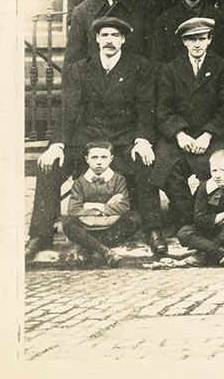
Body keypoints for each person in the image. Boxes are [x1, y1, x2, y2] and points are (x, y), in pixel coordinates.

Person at [26, 15, 166, 263]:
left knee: (146, 162)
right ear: (97, 39)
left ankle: (153, 230)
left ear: (123, 39)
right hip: (86, 139)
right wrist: (57, 145)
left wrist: (143, 140)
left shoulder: (140, 67)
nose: (109, 41)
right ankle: (39, 235)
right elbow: (69, 110)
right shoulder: (79, 68)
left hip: (123, 139)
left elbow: (146, 108)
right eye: (105, 35)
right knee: (48, 166)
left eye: (115, 35)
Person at [152, 16, 224, 237]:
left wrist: (208, 133)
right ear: (184, 42)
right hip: (180, 135)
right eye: (191, 39)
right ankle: (189, 219)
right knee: (166, 167)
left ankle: (202, 217)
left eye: (202, 38)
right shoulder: (170, 69)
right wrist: (178, 133)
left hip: (212, 135)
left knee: (216, 169)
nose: (197, 44)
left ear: (210, 40)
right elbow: (163, 108)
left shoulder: (223, 67)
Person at [60, 140, 139, 268]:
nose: (99, 162)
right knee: (68, 222)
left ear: (111, 159)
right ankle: (104, 251)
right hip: (87, 226)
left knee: (133, 218)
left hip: (110, 227)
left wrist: (89, 206)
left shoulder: (118, 179)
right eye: (94, 157)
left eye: (104, 157)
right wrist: (105, 208)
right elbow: (74, 210)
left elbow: (124, 207)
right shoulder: (80, 182)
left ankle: (89, 246)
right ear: (87, 159)